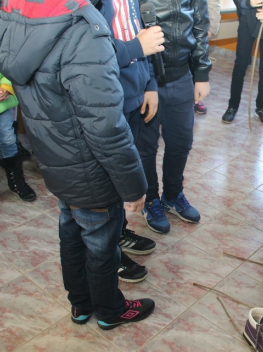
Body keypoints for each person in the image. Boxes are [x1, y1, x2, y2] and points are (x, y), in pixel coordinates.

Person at [0, 0, 156, 330]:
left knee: (70, 232)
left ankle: (80, 305)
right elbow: (106, 126)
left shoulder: (15, 14)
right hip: (90, 168)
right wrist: (134, 187)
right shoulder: (83, 29)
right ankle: (110, 310)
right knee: (101, 243)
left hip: (55, 160)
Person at [97, 0, 164, 283]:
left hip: (134, 96)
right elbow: (96, 51)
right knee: (105, 182)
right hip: (107, 100)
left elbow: (141, 34)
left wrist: (149, 84)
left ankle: (118, 231)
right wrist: (137, 48)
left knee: (122, 173)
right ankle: (106, 251)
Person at [137, 0, 212, 234]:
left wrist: (201, 72)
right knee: (146, 148)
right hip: (146, 78)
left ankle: (171, 195)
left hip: (181, 76)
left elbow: (200, 24)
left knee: (180, 144)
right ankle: (150, 200)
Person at [0, 72, 36, 202]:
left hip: (2, 104)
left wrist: (6, 88)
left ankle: (16, 181)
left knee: (8, 141)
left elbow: (9, 68)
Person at [194, 0, 221, 115]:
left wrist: (210, 26)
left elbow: (212, 2)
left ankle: (196, 98)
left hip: (197, 21)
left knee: (197, 61)